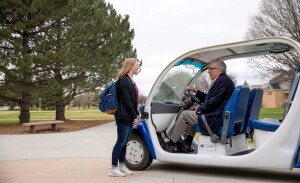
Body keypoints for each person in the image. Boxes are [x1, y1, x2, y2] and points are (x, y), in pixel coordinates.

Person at [162, 60, 235, 153]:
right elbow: (210, 99)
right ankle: (187, 144)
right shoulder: (223, 80)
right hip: (214, 114)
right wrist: (196, 91)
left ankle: (170, 144)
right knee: (191, 115)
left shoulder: (222, 82)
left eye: (211, 68)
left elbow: (212, 102)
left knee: (185, 114)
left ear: (219, 70)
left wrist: (198, 109)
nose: (208, 71)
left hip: (212, 117)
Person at [108, 58, 141, 177]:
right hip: (123, 116)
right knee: (120, 142)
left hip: (128, 116)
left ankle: (121, 165)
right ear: (131, 66)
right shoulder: (124, 81)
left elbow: (133, 101)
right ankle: (113, 168)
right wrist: (134, 116)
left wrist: (136, 114)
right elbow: (127, 101)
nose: (138, 67)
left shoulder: (130, 81)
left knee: (125, 142)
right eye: (137, 65)